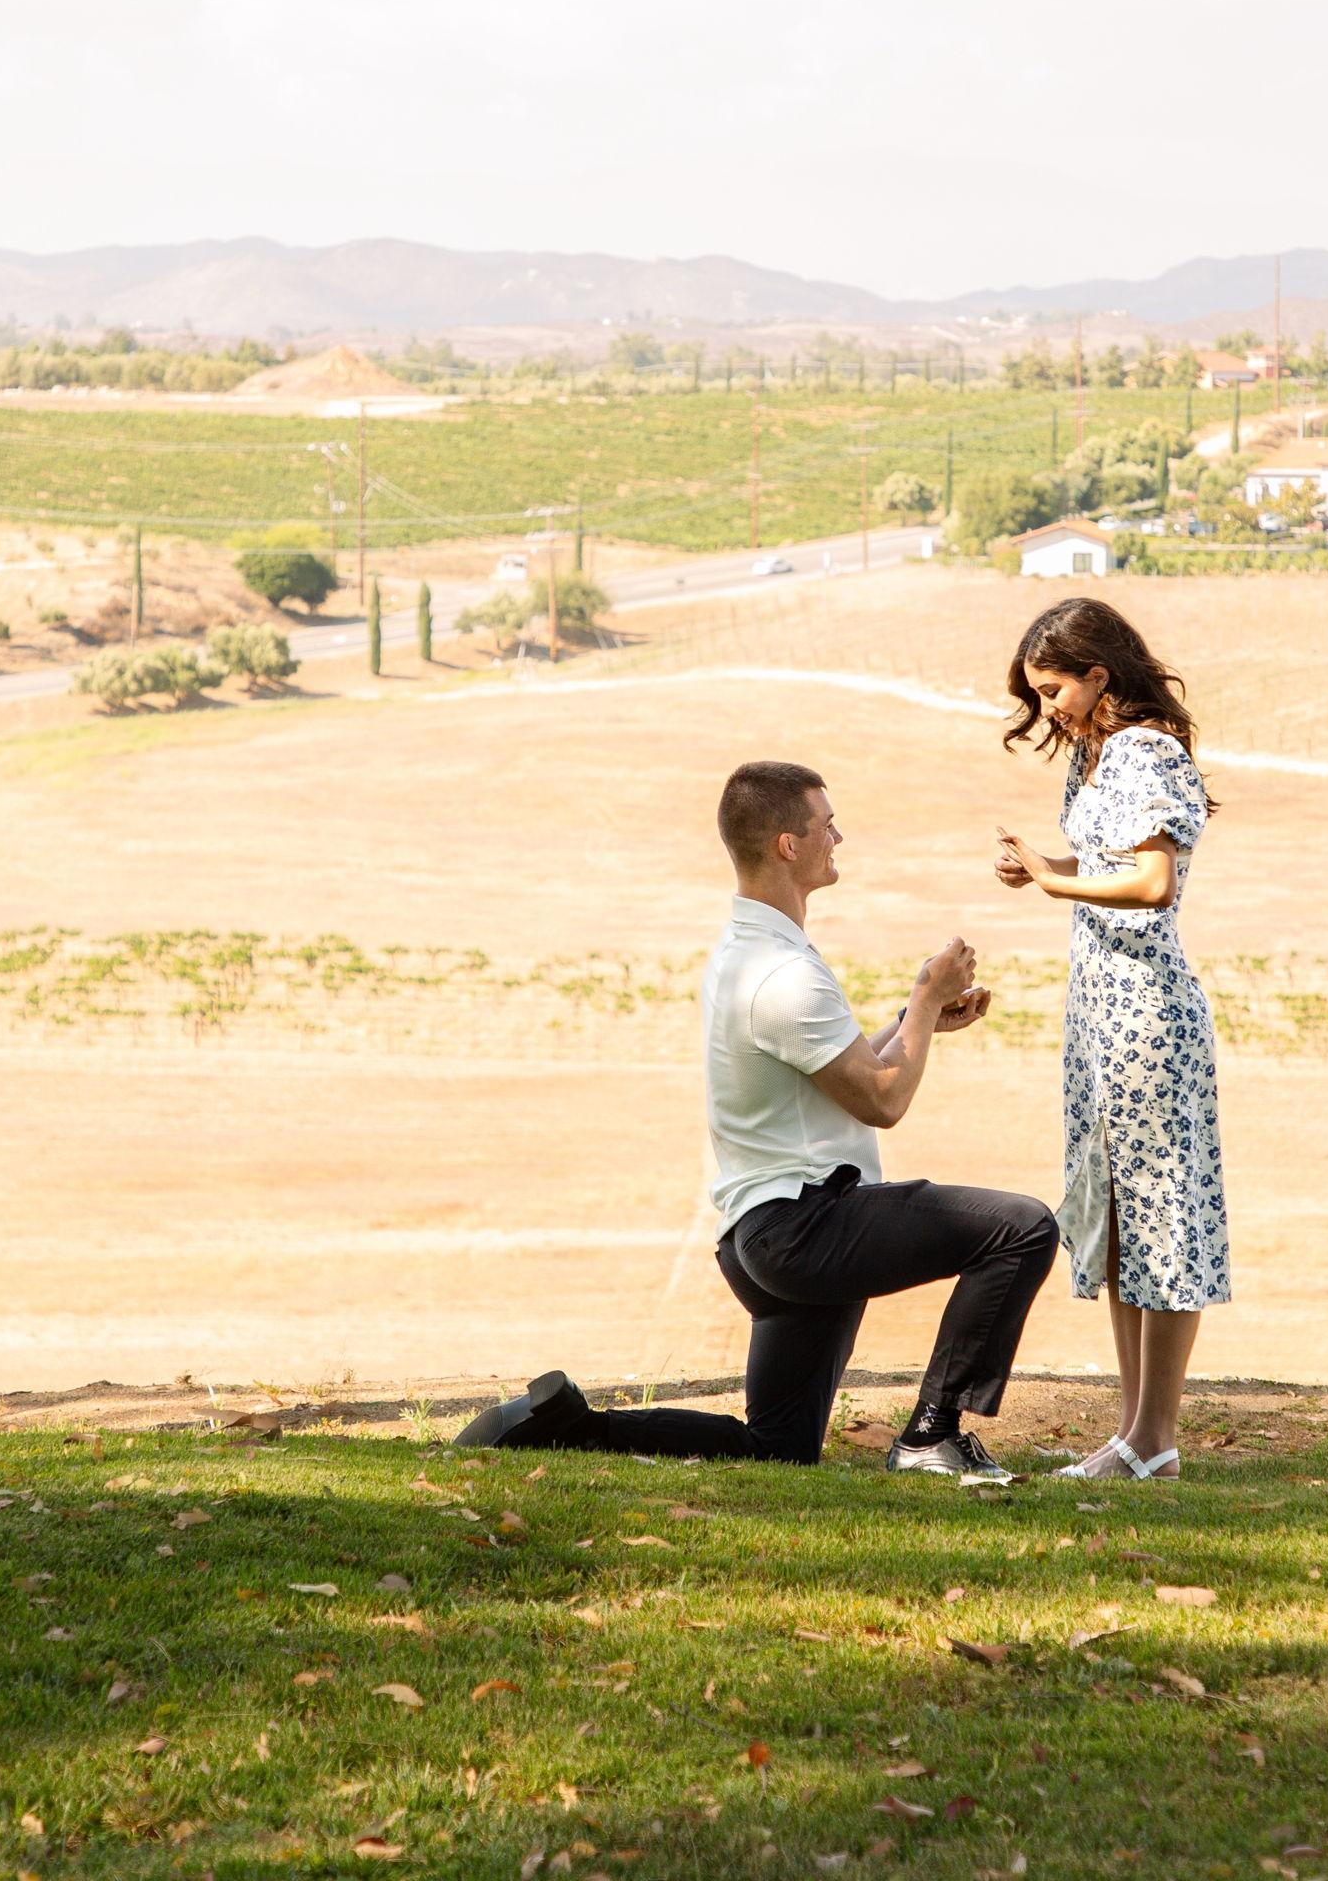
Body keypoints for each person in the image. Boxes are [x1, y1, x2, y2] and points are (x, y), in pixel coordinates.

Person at [457, 759, 1058, 1477]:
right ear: (788, 845)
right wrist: (926, 1002)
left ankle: (566, 1427)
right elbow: (881, 1100)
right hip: (806, 1231)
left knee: (778, 1450)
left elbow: (828, 1068)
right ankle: (933, 1434)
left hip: (761, 1237)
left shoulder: (748, 953)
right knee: (1021, 1229)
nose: (839, 837)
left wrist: (912, 1022)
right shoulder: (784, 973)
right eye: (827, 824)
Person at [993, 597, 1230, 1482]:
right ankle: (1132, 1436)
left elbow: (1151, 883)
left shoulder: (1145, 751)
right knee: (1120, 1219)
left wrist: (1055, 885)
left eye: (1054, 689)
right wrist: (1040, 869)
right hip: (1099, 1012)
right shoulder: (1093, 755)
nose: (1046, 707)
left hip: (1146, 1015)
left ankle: (1154, 1437)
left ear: (1098, 674)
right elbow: (1103, 867)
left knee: (1160, 1215)